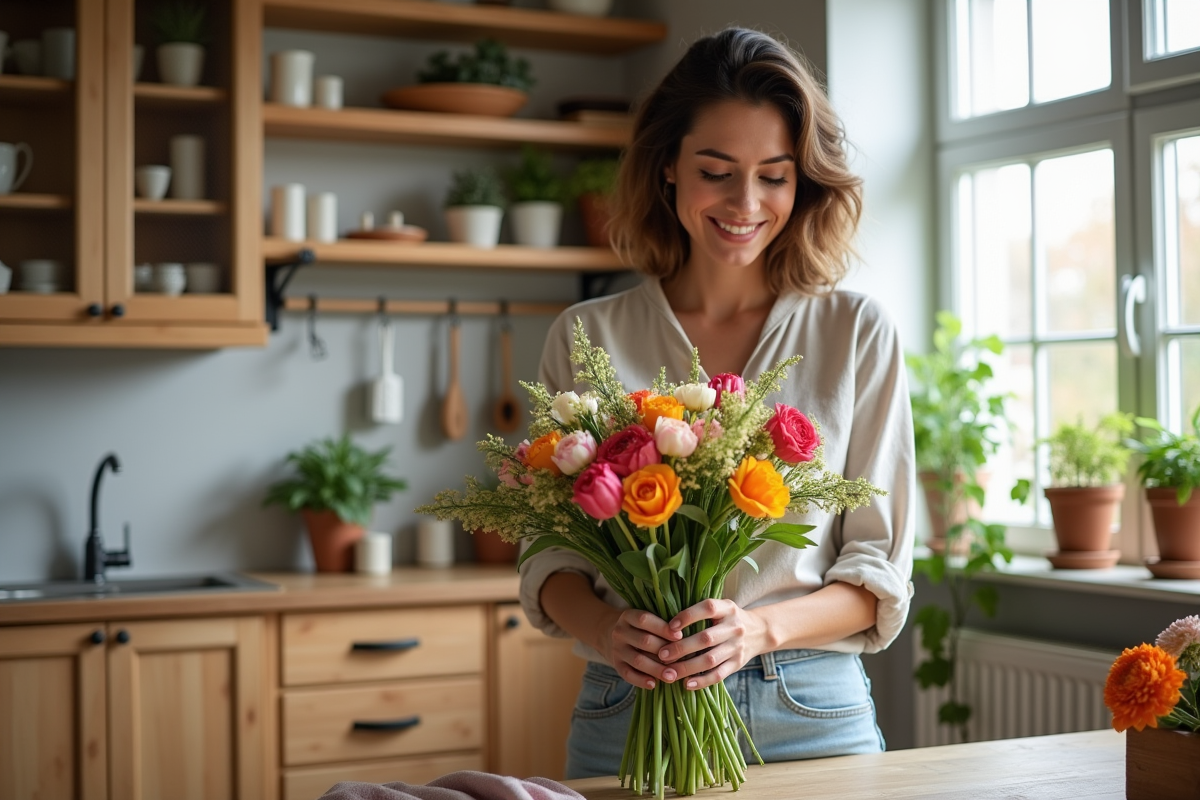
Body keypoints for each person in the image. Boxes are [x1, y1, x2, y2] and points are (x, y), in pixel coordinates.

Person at [518, 27, 916, 779]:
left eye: (775, 175)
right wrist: (607, 630)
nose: (745, 202)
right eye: (717, 171)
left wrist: (758, 630)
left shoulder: (856, 331)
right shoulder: (585, 335)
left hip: (811, 712)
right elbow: (552, 553)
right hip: (627, 706)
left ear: (804, 184)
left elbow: (877, 570)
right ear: (668, 167)